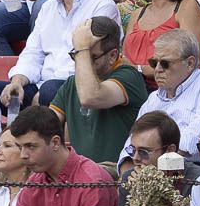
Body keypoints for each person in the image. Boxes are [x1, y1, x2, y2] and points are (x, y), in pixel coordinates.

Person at [120, 30, 200, 170]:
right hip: (150, 167)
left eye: (165, 63)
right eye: (154, 63)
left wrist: (152, 155)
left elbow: (194, 139)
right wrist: (127, 174)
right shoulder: (154, 98)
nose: (158, 69)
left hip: (195, 167)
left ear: (190, 63)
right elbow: (131, 142)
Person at [49, 17, 147, 164]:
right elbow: (46, 124)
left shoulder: (128, 76)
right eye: (78, 56)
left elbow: (91, 97)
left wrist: (82, 49)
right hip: (79, 175)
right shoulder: (71, 84)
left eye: (91, 57)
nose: (82, 63)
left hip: (114, 174)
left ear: (113, 55)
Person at [9, 106, 118, 206]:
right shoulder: (33, 183)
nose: (23, 155)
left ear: (55, 142)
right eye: (19, 147)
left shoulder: (94, 182)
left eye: (30, 146)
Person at [117, 111, 200, 206]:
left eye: (144, 152)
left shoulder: (199, 180)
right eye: (132, 150)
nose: (135, 158)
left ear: (170, 150)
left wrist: (153, 192)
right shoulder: (129, 179)